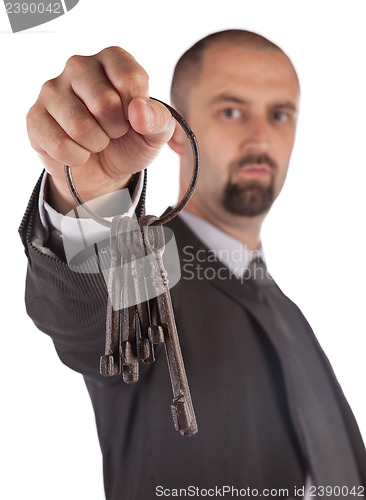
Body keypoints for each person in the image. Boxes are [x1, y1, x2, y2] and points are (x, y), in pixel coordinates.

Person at [20, 30, 366, 499]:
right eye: (231, 110)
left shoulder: (287, 310)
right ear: (178, 134)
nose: (260, 138)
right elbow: (92, 311)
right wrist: (90, 200)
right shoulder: (148, 266)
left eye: (280, 114)